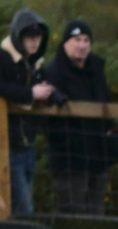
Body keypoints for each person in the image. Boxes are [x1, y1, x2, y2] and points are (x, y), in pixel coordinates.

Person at [43, 19, 118, 214]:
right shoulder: (53, 72)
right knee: (73, 213)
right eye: (77, 39)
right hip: (70, 156)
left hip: (97, 153)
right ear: (65, 43)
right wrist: (66, 142)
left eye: (86, 40)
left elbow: (106, 106)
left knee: (96, 213)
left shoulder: (96, 70)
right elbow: (49, 119)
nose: (82, 45)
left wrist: (111, 134)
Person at [0, 9, 52, 215]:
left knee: (25, 202)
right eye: (29, 37)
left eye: (37, 37)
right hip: (7, 144)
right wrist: (30, 93)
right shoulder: (3, 58)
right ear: (18, 36)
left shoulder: (34, 63)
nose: (34, 42)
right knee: (23, 206)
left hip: (27, 142)